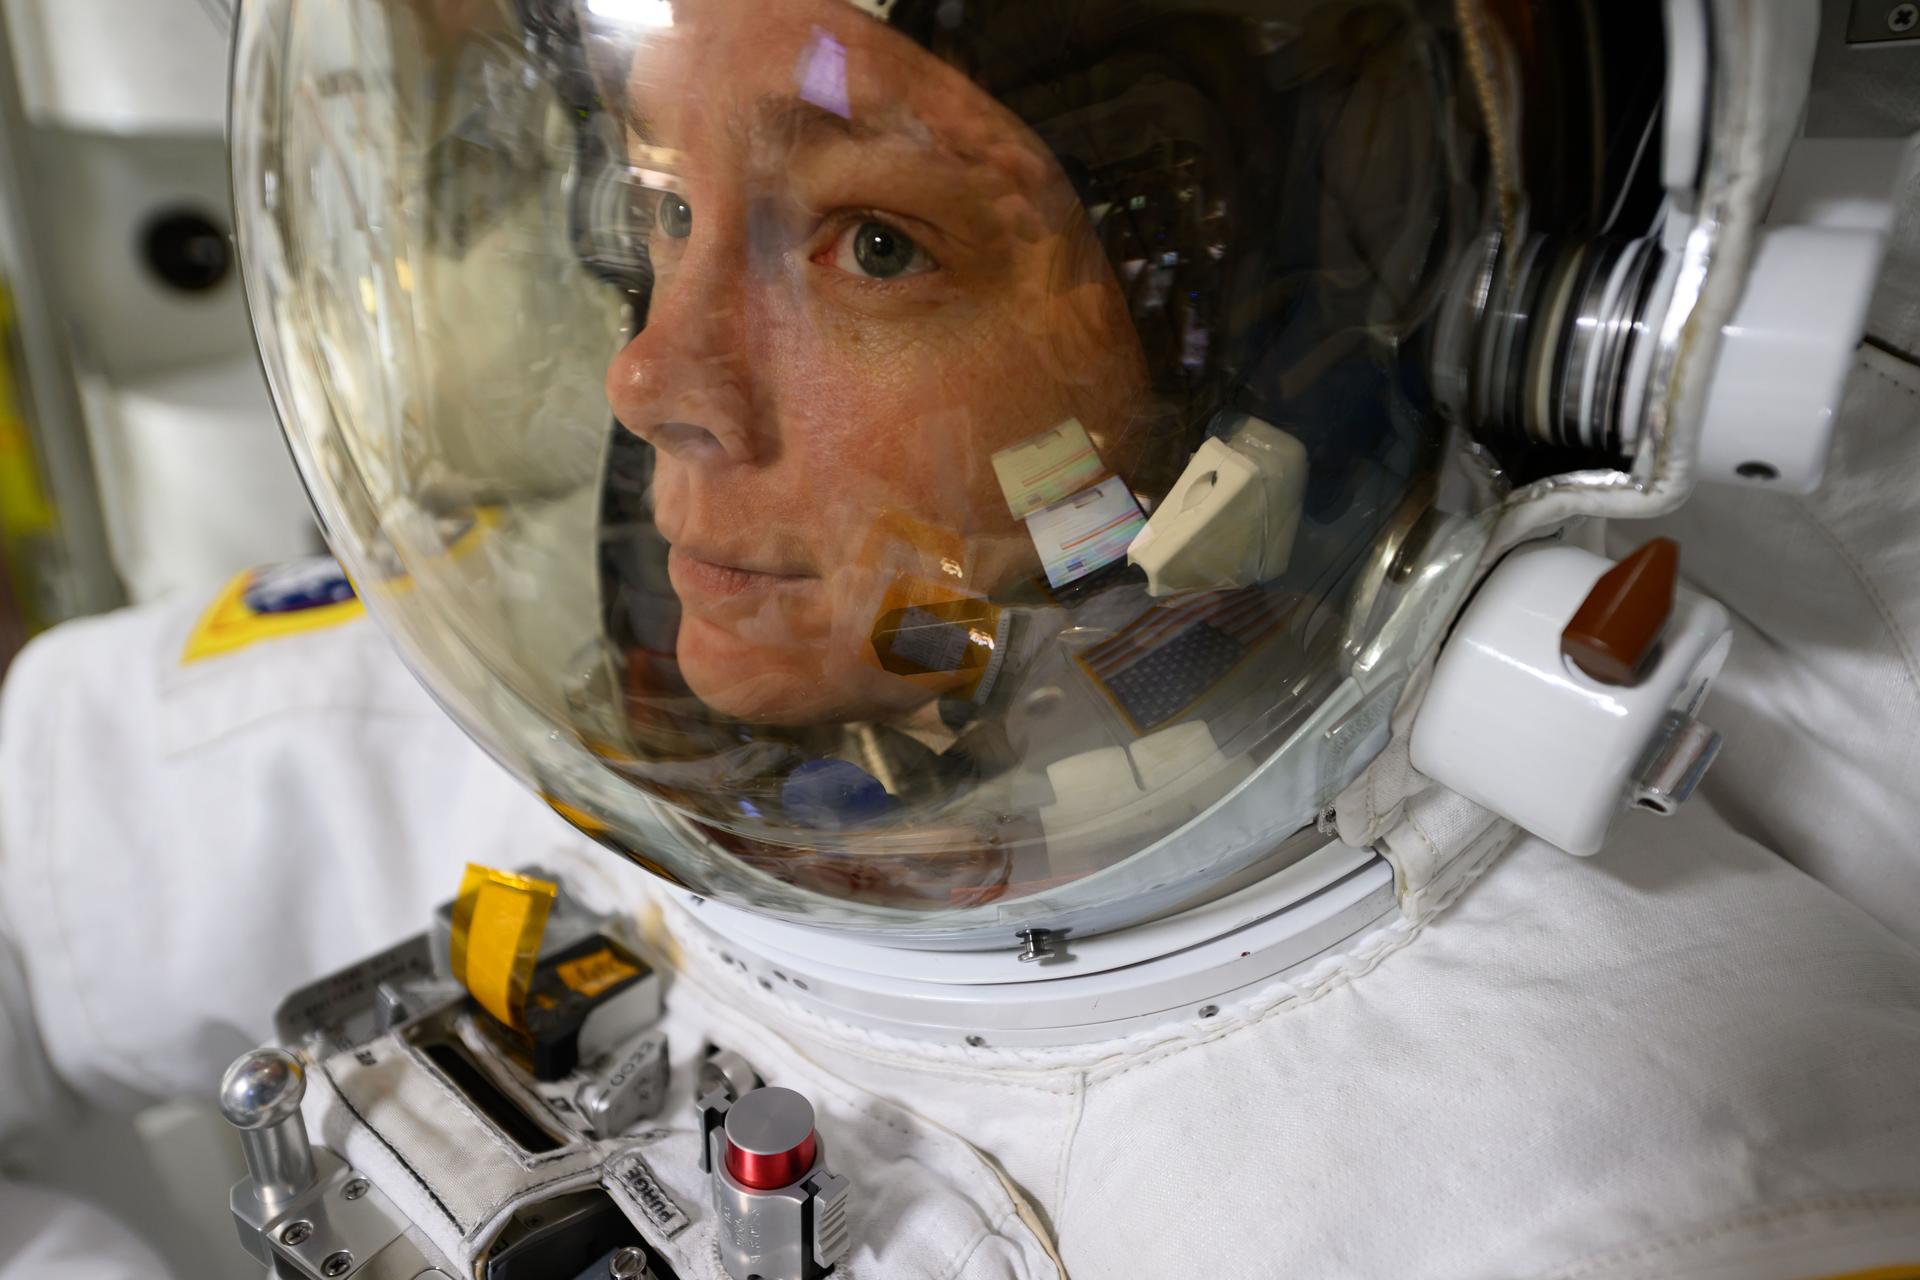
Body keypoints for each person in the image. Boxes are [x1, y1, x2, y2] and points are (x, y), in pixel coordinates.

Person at [5, 0, 1920, 1275]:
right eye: (657, 210)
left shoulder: (1624, 1195)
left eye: (874, 244)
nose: (656, 378)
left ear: (1258, 350)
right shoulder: (459, 732)